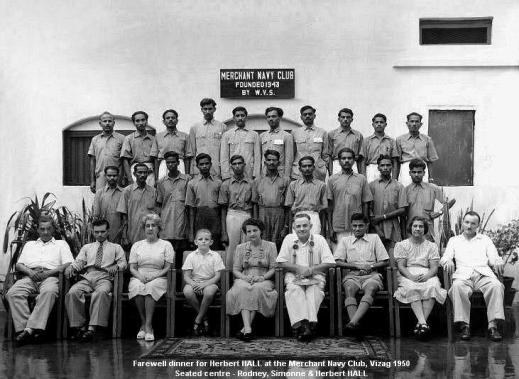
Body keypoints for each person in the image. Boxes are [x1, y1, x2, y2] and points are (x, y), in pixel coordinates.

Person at [6, 216, 74, 344]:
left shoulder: (61, 244)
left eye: (48, 229)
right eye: (42, 229)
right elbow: (19, 265)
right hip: (30, 276)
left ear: (53, 229)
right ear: (37, 230)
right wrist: (30, 272)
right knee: (13, 293)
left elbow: (69, 263)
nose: (46, 232)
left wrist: (48, 272)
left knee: (49, 292)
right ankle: (26, 330)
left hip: (50, 277)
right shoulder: (29, 245)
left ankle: (28, 331)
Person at [440, 211, 505, 342]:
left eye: (473, 223)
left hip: (483, 274)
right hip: (463, 276)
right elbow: (445, 258)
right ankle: (465, 326)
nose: (469, 226)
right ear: (463, 223)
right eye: (467, 222)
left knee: (496, 286)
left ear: (478, 226)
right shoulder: (454, 240)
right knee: (457, 287)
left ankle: (492, 326)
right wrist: (448, 261)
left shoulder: (485, 240)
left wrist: (498, 261)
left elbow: (493, 257)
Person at [64, 219, 127, 341]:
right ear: (93, 232)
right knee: (72, 292)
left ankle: (93, 329)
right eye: (97, 232)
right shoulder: (87, 247)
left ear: (108, 231)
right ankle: (79, 328)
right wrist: (71, 267)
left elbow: (123, 263)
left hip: (105, 277)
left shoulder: (115, 247)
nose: (100, 234)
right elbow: (80, 262)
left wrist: (116, 266)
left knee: (101, 293)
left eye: (103, 231)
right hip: (88, 277)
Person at [276, 213, 335, 342]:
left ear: (311, 226)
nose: (301, 229)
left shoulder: (319, 239)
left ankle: (302, 327)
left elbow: (330, 262)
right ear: (293, 227)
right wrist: (298, 268)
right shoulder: (288, 239)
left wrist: (311, 270)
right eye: (298, 226)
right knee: (294, 291)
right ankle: (307, 326)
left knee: (312, 291)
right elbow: (280, 262)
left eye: (305, 225)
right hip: (294, 275)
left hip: (316, 275)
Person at [334, 213, 389, 335]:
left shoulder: (374, 238)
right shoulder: (345, 241)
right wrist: (356, 266)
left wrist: (370, 266)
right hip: (353, 275)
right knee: (349, 288)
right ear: (351, 226)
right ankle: (355, 325)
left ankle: (353, 323)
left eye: (360, 226)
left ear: (367, 226)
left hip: (371, 274)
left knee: (371, 288)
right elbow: (337, 261)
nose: (357, 229)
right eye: (354, 226)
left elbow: (385, 260)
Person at [393, 216, 447, 339]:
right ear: (410, 228)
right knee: (411, 287)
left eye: (421, 226)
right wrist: (411, 277)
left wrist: (427, 276)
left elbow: (434, 267)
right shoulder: (402, 245)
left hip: (427, 273)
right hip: (407, 273)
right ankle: (423, 323)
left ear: (425, 229)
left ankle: (421, 324)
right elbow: (401, 266)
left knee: (433, 286)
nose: (418, 229)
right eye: (415, 226)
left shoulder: (431, 246)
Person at [226, 219, 278, 342]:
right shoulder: (240, 248)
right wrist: (244, 277)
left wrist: (262, 278)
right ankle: (248, 328)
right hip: (245, 277)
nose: (252, 233)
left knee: (256, 288)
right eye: (249, 231)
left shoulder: (271, 246)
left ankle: (245, 329)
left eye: (255, 230)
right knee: (244, 287)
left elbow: (273, 268)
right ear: (245, 233)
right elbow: (236, 270)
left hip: (264, 278)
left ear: (261, 231)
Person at [128, 214, 175, 341]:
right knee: (137, 286)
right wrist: (139, 276)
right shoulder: (137, 245)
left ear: (158, 228)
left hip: (159, 276)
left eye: (153, 226)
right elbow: (132, 267)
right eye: (147, 226)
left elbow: (167, 267)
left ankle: (148, 326)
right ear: (144, 228)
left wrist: (155, 275)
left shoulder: (166, 245)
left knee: (151, 287)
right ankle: (143, 322)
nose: (150, 228)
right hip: (140, 275)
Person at [182, 229, 226, 336]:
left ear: (211, 242)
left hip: (210, 283)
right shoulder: (191, 256)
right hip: (194, 282)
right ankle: (203, 316)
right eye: (200, 239)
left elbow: (218, 275)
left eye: (206, 239)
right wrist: (193, 284)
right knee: (187, 291)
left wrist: (205, 284)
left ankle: (198, 319)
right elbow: (186, 276)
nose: (203, 241)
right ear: (196, 242)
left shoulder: (215, 255)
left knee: (209, 292)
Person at [327, 148, 372, 245]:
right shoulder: (332, 179)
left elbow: (365, 204)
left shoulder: (361, 179)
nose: (346, 161)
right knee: (339, 258)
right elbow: (329, 207)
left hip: (357, 227)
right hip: (338, 226)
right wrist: (330, 228)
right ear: (339, 161)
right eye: (343, 158)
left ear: (354, 160)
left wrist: (365, 226)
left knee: (357, 258)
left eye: (349, 158)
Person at [156, 151, 190, 267]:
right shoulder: (161, 182)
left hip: (181, 223)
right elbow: (159, 204)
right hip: (166, 224)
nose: (171, 165)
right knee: (167, 256)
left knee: (181, 258)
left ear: (178, 162)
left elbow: (189, 204)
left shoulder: (187, 180)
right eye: (168, 162)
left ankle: (179, 282)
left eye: (173, 162)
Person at [219, 155, 254, 268]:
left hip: (247, 215)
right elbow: (223, 208)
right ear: (231, 167)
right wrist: (224, 231)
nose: (237, 166)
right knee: (231, 248)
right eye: (234, 164)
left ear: (244, 165)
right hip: (232, 215)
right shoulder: (226, 184)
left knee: (247, 246)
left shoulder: (251, 183)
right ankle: (229, 276)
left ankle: (246, 274)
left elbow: (254, 204)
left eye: (239, 163)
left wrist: (254, 222)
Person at [405, 158, 453, 241]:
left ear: (424, 173)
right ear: (410, 173)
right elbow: (403, 214)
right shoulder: (405, 190)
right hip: (410, 232)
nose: (416, 175)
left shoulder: (433, 188)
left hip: (427, 232)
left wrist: (439, 212)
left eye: (419, 172)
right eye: (414, 172)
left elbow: (451, 202)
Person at [369, 155, 407, 255]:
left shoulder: (399, 186)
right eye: (382, 165)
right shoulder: (372, 185)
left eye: (388, 165)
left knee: (393, 258)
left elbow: (402, 210)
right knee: (376, 257)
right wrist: (377, 228)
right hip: (376, 226)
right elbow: (369, 209)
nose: (385, 167)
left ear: (392, 167)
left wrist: (383, 217)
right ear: (378, 168)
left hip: (393, 227)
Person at [253, 150, 290, 248]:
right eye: (269, 160)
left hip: (279, 213)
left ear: (279, 162)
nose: (271, 162)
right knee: (263, 243)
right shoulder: (258, 180)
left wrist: (286, 226)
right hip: (263, 213)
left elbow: (288, 206)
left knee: (277, 242)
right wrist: (256, 224)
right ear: (265, 162)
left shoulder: (285, 180)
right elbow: (254, 204)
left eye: (274, 160)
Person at [186, 153, 223, 249]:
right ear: (197, 166)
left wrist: (223, 231)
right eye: (201, 164)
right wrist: (191, 233)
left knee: (214, 245)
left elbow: (222, 208)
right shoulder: (192, 183)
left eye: (207, 163)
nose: (204, 166)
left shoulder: (218, 182)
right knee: (201, 247)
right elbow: (190, 209)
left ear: (211, 164)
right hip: (199, 217)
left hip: (215, 216)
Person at [285, 156, 327, 235]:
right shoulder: (293, 185)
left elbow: (324, 210)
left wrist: (324, 231)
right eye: (304, 166)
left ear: (314, 167)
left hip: (314, 216)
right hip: (298, 216)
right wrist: (290, 228)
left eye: (309, 166)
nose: (307, 168)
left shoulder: (321, 185)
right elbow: (289, 209)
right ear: (300, 169)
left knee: (314, 244)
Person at [117, 163, 157, 245]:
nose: (142, 175)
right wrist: (124, 235)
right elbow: (124, 216)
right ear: (134, 174)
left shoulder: (153, 191)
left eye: (145, 172)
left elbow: (157, 214)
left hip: (150, 233)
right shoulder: (127, 191)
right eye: (140, 172)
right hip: (133, 233)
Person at [396, 112, 439, 186]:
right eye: (412, 121)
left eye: (416, 121)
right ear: (407, 123)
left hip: (422, 168)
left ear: (420, 124)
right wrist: (395, 178)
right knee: (406, 192)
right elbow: (397, 162)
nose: (414, 124)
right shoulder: (400, 139)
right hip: (406, 169)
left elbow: (431, 160)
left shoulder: (427, 139)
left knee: (422, 192)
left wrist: (431, 177)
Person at [187, 98, 227, 177]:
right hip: (200, 169)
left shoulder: (222, 127)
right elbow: (192, 151)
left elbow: (224, 152)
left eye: (210, 109)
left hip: (216, 169)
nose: (207, 111)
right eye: (205, 109)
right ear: (201, 110)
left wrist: (224, 170)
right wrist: (192, 170)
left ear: (214, 109)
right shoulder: (195, 127)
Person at [87, 111, 125, 193]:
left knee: (117, 202)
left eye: (109, 121)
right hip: (100, 177)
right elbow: (92, 161)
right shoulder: (95, 140)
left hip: (116, 177)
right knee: (101, 201)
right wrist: (92, 181)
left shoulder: (122, 139)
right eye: (105, 121)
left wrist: (122, 177)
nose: (107, 123)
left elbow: (124, 160)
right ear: (100, 123)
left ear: (114, 123)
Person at [220, 106, 261, 180]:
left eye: (242, 115)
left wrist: (256, 175)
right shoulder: (227, 135)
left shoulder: (254, 134)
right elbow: (224, 157)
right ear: (233, 118)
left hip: (249, 173)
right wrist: (226, 175)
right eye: (237, 116)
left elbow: (257, 157)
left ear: (246, 117)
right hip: (232, 174)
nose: (240, 118)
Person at [292, 105, 330, 181]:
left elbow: (325, 154)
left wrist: (325, 168)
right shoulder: (295, 132)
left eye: (310, 114)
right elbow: (292, 153)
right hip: (299, 172)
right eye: (305, 114)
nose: (307, 116)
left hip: (318, 171)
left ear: (314, 116)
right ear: (301, 117)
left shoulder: (322, 132)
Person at [151, 109, 192, 179]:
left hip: (179, 164)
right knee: (163, 187)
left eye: (173, 118)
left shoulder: (185, 136)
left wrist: (187, 174)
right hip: (163, 164)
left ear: (177, 120)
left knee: (180, 186)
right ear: (164, 121)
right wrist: (156, 176)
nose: (170, 120)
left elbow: (188, 157)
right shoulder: (158, 136)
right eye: (167, 118)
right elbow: (155, 158)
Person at [120, 111, 156, 186]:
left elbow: (155, 159)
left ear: (146, 121)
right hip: (135, 169)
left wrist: (156, 177)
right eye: (137, 121)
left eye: (143, 120)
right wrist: (129, 178)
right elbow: (125, 159)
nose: (141, 123)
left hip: (150, 170)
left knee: (150, 193)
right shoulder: (129, 138)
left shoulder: (153, 139)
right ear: (134, 122)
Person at [361, 113, 399, 182]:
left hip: (386, 169)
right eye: (376, 122)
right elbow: (363, 161)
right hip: (371, 169)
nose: (379, 124)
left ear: (385, 124)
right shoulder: (366, 141)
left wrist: (394, 178)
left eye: (381, 122)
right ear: (373, 124)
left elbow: (395, 161)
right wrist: (364, 178)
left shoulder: (391, 141)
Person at [260, 107, 294, 178]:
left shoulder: (287, 136)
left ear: (279, 118)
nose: (271, 119)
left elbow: (289, 158)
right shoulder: (262, 136)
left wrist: (287, 176)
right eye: (268, 117)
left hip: (280, 174)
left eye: (273, 116)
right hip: (265, 174)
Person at [93, 165, 124, 243]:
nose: (112, 178)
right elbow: (96, 215)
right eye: (109, 175)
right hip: (103, 232)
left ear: (118, 176)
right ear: (105, 176)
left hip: (119, 232)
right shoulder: (99, 193)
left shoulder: (124, 192)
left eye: (114, 175)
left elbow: (125, 216)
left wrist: (123, 233)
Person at [328, 108, 364, 174]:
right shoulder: (331, 134)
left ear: (352, 119)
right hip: (337, 164)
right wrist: (330, 172)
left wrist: (361, 173)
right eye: (343, 117)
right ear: (339, 119)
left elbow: (361, 157)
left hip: (353, 164)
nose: (345, 119)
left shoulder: (358, 135)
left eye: (348, 117)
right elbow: (329, 156)